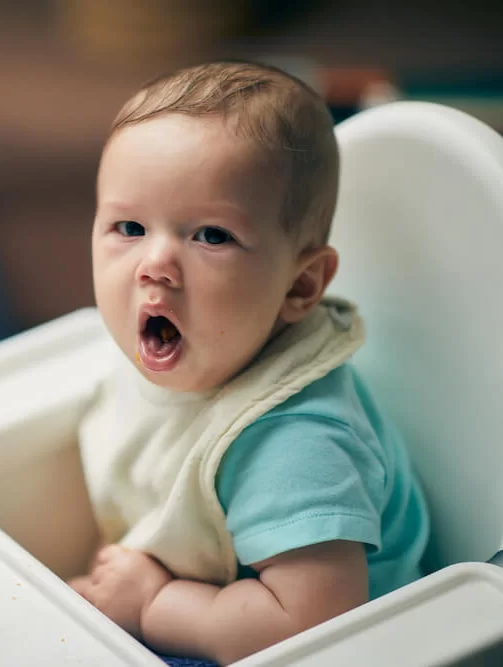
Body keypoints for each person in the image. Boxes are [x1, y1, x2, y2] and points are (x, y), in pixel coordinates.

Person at [68, 61, 430, 666]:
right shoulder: (166, 351)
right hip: (203, 604)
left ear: (301, 284)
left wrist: (152, 602)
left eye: (211, 236)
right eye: (129, 227)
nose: (154, 265)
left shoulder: (296, 441)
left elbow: (314, 624)